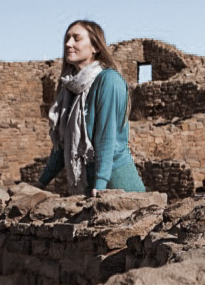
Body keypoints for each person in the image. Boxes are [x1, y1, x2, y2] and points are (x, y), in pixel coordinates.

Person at [38, 20, 145, 196]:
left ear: (95, 47)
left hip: (115, 184)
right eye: (67, 38)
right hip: (88, 185)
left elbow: (106, 137)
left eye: (76, 39)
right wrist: (41, 183)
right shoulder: (69, 88)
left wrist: (101, 185)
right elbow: (63, 145)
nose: (68, 44)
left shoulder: (108, 80)